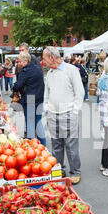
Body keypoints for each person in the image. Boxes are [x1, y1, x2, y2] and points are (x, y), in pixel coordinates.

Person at [42, 46, 85, 185]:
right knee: (56, 145)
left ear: (52, 58)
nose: (43, 61)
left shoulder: (71, 70)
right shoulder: (50, 73)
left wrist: (75, 110)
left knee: (71, 145)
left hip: (68, 113)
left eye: (44, 58)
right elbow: (47, 93)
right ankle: (59, 169)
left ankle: (75, 172)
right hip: (52, 114)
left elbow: (80, 92)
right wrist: (46, 107)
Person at [13, 52, 46, 146]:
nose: (19, 63)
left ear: (26, 60)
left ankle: (31, 146)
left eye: (20, 61)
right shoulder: (38, 68)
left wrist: (14, 86)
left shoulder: (25, 71)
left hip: (30, 99)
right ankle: (43, 145)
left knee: (30, 124)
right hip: (39, 98)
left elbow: (17, 86)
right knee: (38, 123)